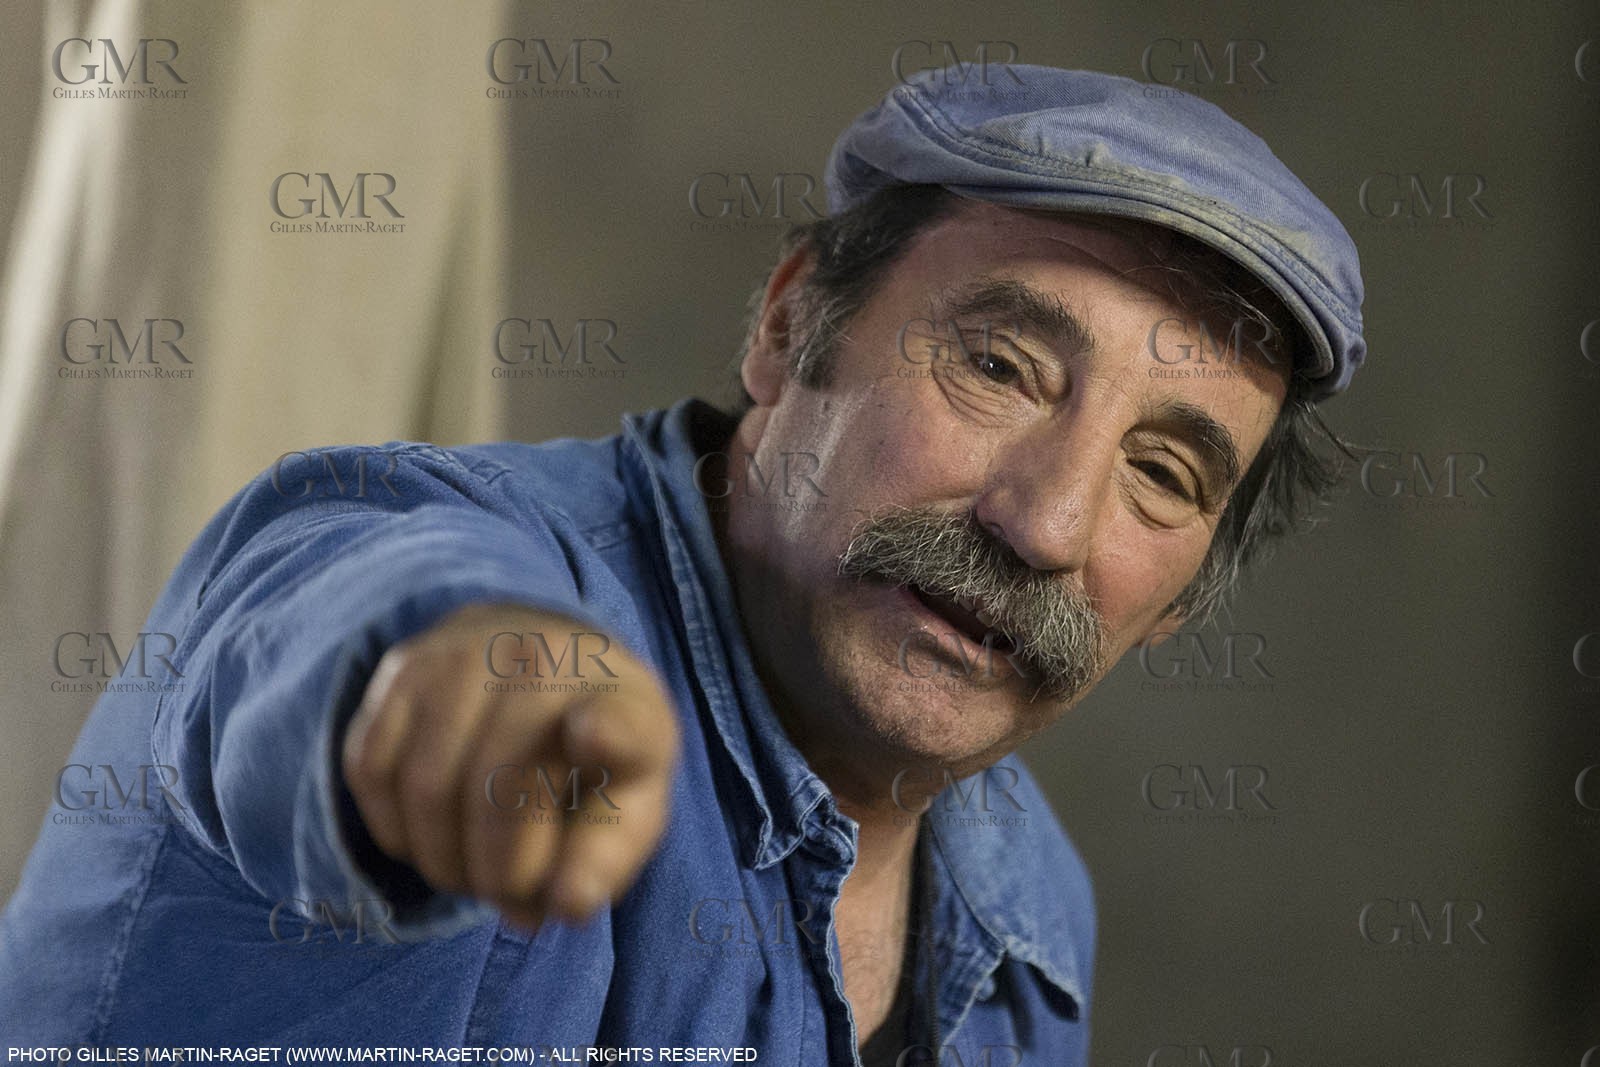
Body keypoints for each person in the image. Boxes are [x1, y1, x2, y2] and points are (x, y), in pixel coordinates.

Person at [0, 65, 1365, 1064]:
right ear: (786, 332)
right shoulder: (447, 555)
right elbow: (339, 623)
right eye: (1001, 367)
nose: (1047, 524)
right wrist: (454, 686)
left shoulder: (1029, 907)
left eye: (1163, 475)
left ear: (1183, 598)